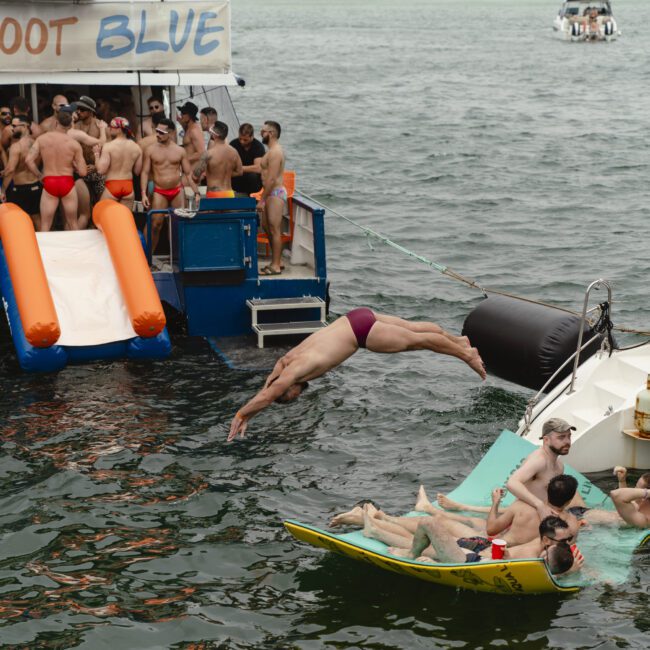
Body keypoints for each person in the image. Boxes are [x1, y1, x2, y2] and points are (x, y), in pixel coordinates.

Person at [228, 309, 486, 441]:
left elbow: (268, 395)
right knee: (414, 328)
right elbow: (269, 386)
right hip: (355, 317)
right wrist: (254, 407)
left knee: (417, 341)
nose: (295, 396)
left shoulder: (293, 373)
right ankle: (459, 341)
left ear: (288, 388)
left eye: (289, 397)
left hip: (360, 334)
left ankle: (466, 355)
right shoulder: (286, 363)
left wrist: (241, 415)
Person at [375, 511, 576, 575]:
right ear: (547, 541)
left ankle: (377, 528)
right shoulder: (539, 553)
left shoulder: (541, 557)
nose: (569, 542)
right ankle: (376, 527)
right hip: (475, 556)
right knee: (431, 533)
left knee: (429, 526)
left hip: (469, 562)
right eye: (565, 539)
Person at [140, 118, 200, 253]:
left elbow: (188, 174)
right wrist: (143, 193)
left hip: (177, 190)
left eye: (161, 132)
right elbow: (144, 173)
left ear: (171, 132)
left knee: (177, 225)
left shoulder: (180, 151)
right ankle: (146, 257)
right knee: (155, 224)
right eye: (157, 131)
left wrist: (196, 193)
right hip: (159, 191)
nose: (158, 134)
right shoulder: (150, 150)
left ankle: (178, 258)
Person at [24, 106, 87, 231]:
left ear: (56, 122)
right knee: (73, 224)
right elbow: (83, 172)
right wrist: (74, 165)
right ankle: (77, 250)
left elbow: (28, 160)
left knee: (45, 225)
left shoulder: (42, 139)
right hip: (67, 182)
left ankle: (43, 251)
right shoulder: (74, 144)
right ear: (70, 125)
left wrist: (39, 175)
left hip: (49, 182)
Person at [71, 95, 108, 227]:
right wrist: (77, 166)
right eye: (78, 109)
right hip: (81, 172)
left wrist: (97, 165)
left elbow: (107, 149)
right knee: (83, 210)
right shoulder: (75, 127)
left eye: (82, 109)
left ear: (91, 111)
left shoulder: (100, 126)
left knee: (101, 205)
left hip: (98, 171)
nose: (79, 112)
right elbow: (70, 150)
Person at [1, 116, 42, 229]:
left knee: (18, 220)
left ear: (24, 126)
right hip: (36, 186)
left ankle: (23, 246)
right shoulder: (37, 143)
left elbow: (11, 170)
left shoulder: (16, 146)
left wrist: (3, 190)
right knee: (37, 218)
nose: (11, 128)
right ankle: (44, 245)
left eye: (14, 126)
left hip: (20, 190)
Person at [94, 117, 143, 211]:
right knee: (124, 220)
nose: (110, 128)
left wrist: (96, 154)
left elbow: (100, 170)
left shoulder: (108, 146)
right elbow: (137, 171)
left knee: (102, 216)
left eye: (113, 126)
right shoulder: (137, 147)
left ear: (120, 129)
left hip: (112, 185)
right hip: (128, 186)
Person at [257, 121, 286, 276]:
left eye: (263, 131)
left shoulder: (276, 152)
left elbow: (272, 179)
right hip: (269, 193)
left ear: (272, 133)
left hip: (275, 194)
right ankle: (278, 260)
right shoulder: (270, 151)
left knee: (274, 229)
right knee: (267, 226)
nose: (261, 133)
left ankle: (275, 266)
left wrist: (262, 199)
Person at [192, 121, 242, 198]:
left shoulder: (208, 154)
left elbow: (195, 177)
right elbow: (239, 172)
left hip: (214, 194)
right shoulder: (234, 152)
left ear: (214, 135)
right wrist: (224, 174)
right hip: (229, 193)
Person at [230, 123, 266, 196]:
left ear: (252, 137)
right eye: (240, 139)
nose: (242, 142)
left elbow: (258, 168)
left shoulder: (258, 147)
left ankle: (251, 199)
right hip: (236, 176)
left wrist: (240, 168)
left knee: (252, 176)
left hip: (252, 180)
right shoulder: (233, 144)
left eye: (245, 140)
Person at [177, 101, 205, 167]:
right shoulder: (189, 127)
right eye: (181, 112)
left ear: (190, 115)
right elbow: (183, 123)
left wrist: (183, 159)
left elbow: (201, 153)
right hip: (188, 168)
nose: (181, 114)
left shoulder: (194, 131)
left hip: (193, 171)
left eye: (183, 113)